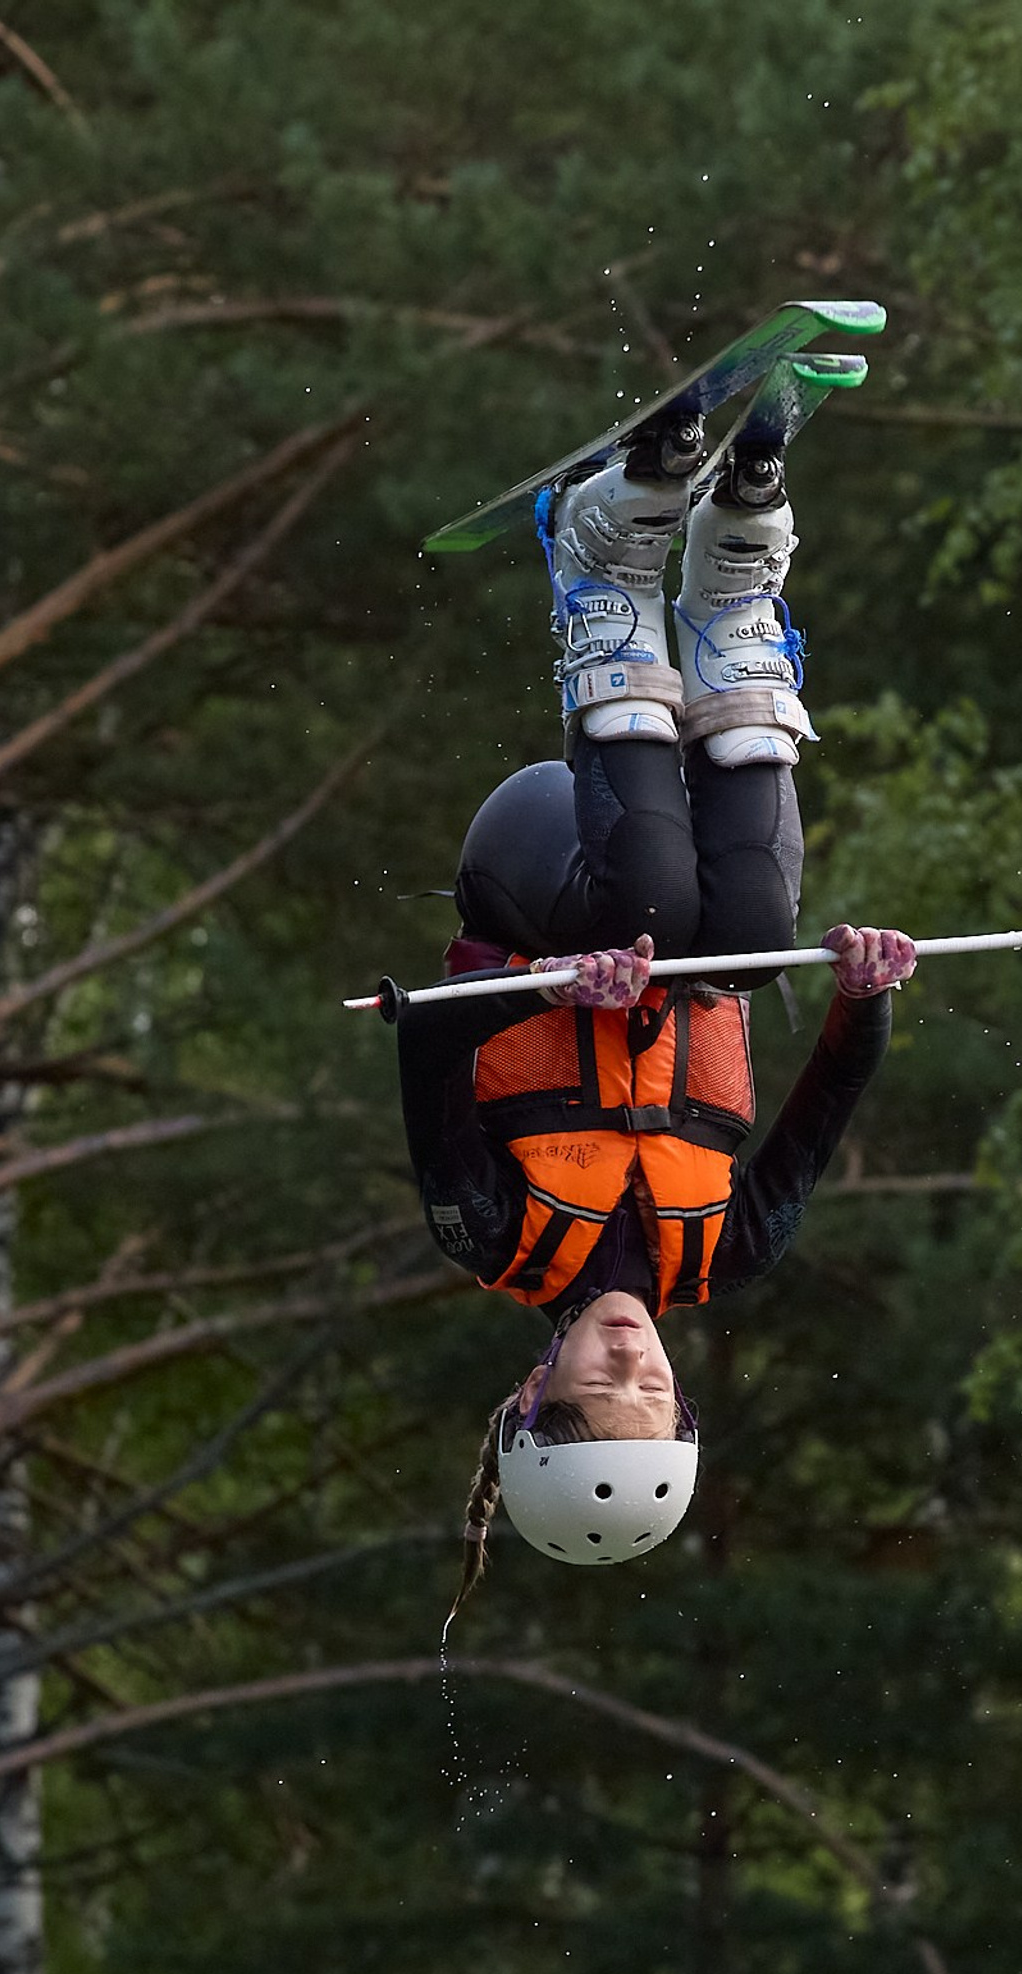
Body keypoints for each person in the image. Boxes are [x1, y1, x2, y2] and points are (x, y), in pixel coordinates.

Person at [397, 411, 917, 1592]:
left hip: (532, 879)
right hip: (663, 900)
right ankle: (735, 590)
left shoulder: (491, 1238)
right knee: (741, 941)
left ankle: (602, 569)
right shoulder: (729, 1251)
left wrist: (549, 984)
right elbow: (830, 1092)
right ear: (680, 1397)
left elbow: (427, 1034)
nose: (628, 1356)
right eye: (650, 1391)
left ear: (535, 1391)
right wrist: (867, 994)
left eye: (593, 1387)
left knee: (643, 905)